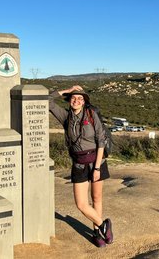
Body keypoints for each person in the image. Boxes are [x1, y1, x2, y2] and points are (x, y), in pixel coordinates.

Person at [49, 85, 114, 247]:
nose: (76, 100)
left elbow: (101, 140)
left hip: (97, 162)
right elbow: (47, 101)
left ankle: (97, 234)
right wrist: (66, 90)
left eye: (80, 98)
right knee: (81, 204)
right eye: (73, 98)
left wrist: (97, 168)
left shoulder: (91, 115)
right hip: (79, 164)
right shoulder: (65, 117)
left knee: (96, 199)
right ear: (69, 100)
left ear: (84, 101)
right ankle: (103, 225)